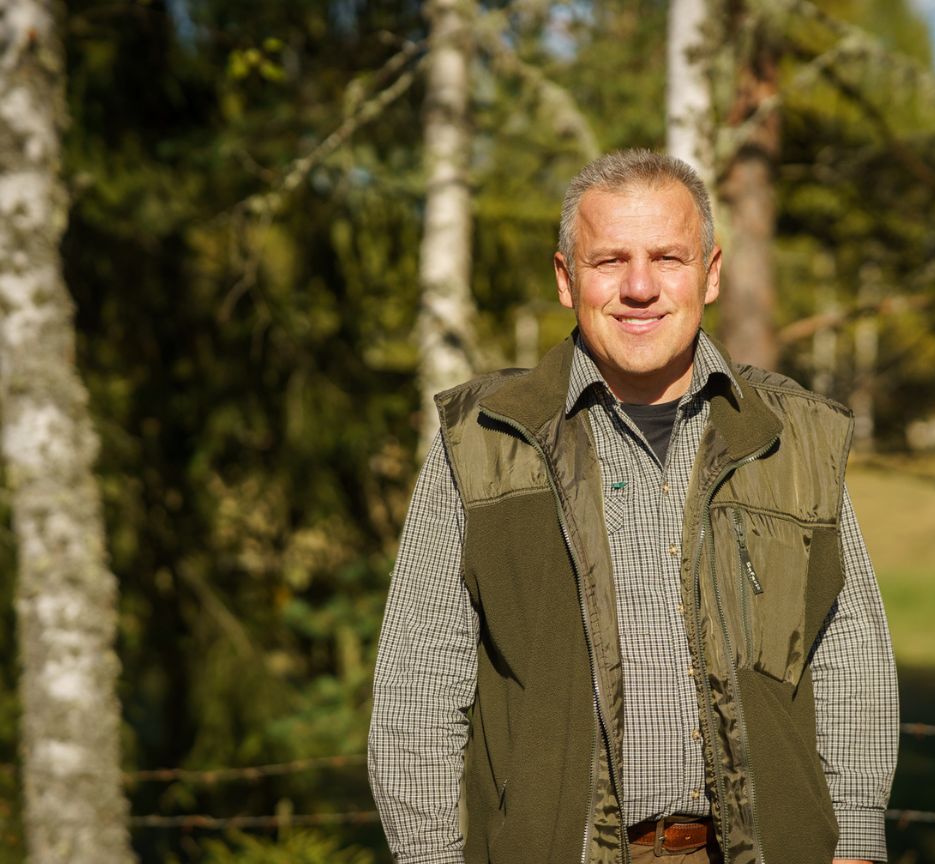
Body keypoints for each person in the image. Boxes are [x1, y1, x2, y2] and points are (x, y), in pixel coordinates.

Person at [368, 149, 898, 864]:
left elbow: (848, 656)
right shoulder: (483, 439)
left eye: (668, 258)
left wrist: (857, 837)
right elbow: (420, 685)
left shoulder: (794, 436)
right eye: (610, 260)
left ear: (710, 274)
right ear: (567, 279)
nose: (640, 287)